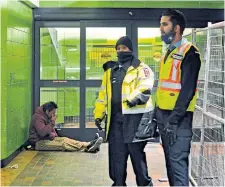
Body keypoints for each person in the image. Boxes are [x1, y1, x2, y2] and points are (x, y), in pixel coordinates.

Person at [94, 36, 154, 186]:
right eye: (118, 49)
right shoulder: (110, 72)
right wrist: (99, 114)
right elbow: (102, 95)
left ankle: (144, 184)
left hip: (136, 121)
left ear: (131, 50)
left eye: (124, 48)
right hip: (116, 122)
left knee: (137, 158)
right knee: (117, 158)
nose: (121, 51)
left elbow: (145, 87)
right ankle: (118, 184)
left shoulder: (142, 68)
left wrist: (133, 99)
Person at [155, 9, 201, 186]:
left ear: (177, 28)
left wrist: (173, 121)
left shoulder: (190, 53)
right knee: (170, 163)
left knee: (177, 164)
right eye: (161, 24)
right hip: (164, 117)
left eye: (165, 24)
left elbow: (187, 91)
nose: (161, 28)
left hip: (178, 119)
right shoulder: (168, 52)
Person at [28, 101, 103, 152]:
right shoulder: (38, 118)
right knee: (63, 145)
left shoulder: (45, 116)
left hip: (46, 139)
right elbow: (42, 133)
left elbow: (50, 130)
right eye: (53, 113)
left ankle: (88, 145)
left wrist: (56, 136)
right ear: (47, 111)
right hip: (39, 143)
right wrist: (52, 122)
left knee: (65, 139)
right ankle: (88, 146)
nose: (54, 115)